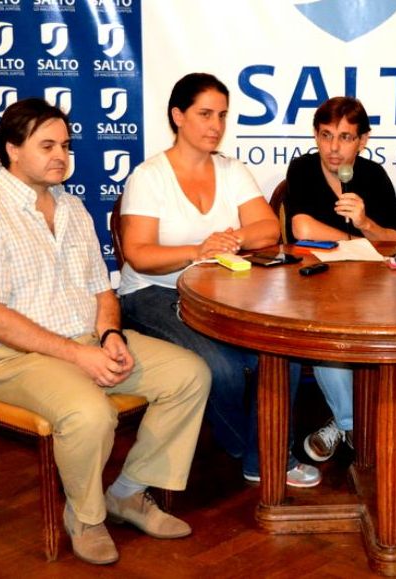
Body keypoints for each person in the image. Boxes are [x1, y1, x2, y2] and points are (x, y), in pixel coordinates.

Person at [0, 98, 211, 565]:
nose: (61, 156)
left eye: (66, 145)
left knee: (190, 373)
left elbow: (103, 293)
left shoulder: (74, 209)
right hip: (12, 358)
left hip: (87, 342)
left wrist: (111, 338)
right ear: (12, 149)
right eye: (47, 145)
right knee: (90, 413)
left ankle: (128, 493)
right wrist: (78, 357)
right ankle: (86, 517)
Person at [117, 73, 319, 488]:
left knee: (283, 356)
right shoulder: (148, 176)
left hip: (220, 294)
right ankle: (256, 448)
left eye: (223, 115)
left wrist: (233, 238)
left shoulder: (231, 170)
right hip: (153, 292)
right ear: (178, 116)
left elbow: (267, 230)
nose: (216, 125)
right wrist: (198, 250)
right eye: (205, 114)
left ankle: (263, 455)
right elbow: (139, 254)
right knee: (221, 370)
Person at [283, 96, 396, 462]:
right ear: (315, 136)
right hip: (315, 284)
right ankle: (356, 426)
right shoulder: (303, 168)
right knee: (324, 333)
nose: (334, 148)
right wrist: (358, 242)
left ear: (363, 140)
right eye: (325, 135)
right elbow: (301, 227)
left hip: (369, 288)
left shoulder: (374, 176)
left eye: (346, 138)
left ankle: (351, 422)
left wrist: (366, 222)